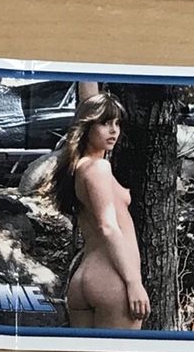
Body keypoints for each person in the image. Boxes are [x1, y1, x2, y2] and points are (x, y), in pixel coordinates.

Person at [47, 91, 149, 329]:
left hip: (83, 278)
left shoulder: (79, 167)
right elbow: (108, 227)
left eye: (117, 123)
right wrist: (134, 283)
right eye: (105, 123)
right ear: (87, 126)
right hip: (111, 281)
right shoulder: (99, 168)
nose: (114, 130)